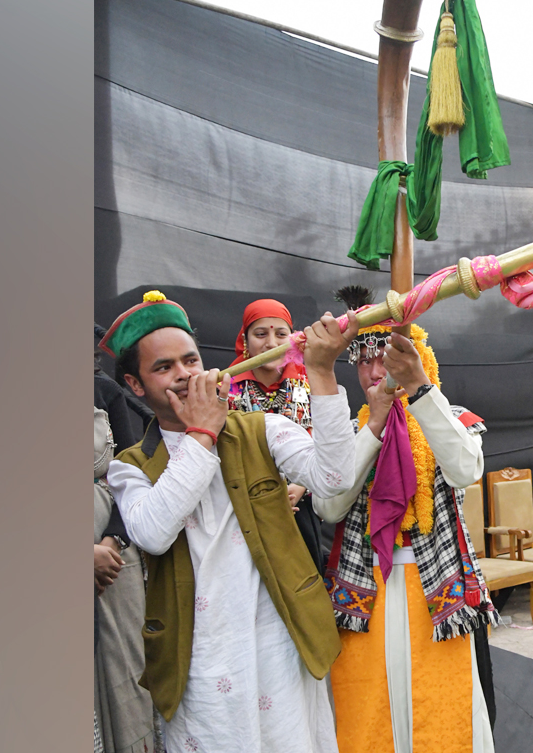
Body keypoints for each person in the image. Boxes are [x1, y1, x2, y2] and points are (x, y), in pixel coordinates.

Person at [102, 290, 359, 753]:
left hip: (282, 646)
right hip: (200, 661)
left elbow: (336, 478)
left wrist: (321, 372)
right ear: (134, 386)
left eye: (190, 360)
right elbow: (153, 534)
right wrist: (202, 431)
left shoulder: (263, 428)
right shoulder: (129, 467)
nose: (184, 376)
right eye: (164, 368)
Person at [316, 285, 498, 753]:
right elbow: (329, 506)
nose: (375, 371)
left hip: (436, 587)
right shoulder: (348, 432)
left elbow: (465, 469)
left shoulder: (450, 416)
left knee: (442, 709)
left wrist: (419, 390)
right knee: (370, 705)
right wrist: (374, 427)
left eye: (386, 356)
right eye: (363, 360)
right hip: (366, 589)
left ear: (412, 356)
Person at [226, 299, 326, 574]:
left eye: (281, 334)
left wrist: (302, 486)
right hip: (246, 512)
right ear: (245, 340)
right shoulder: (227, 388)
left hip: (301, 505)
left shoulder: (311, 382)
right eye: (261, 334)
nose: (271, 343)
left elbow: (325, 442)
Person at [94, 406, 159, 753]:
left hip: (115, 558)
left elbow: (131, 468)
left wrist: (112, 539)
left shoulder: (104, 392)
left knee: (127, 674)